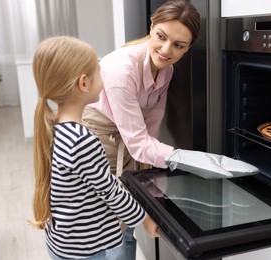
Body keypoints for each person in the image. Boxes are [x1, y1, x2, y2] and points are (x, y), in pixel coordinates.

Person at [30, 36, 158, 260]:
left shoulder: (53, 125)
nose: (103, 78)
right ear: (83, 83)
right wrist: (146, 220)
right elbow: (112, 192)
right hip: (85, 249)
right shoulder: (82, 140)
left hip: (62, 241)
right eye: (99, 72)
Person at [82, 0, 201, 177]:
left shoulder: (167, 70)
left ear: (188, 48)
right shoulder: (122, 71)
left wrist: (148, 169)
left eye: (178, 45)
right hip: (98, 144)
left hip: (132, 142)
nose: (166, 50)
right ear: (152, 27)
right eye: (161, 36)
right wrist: (189, 160)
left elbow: (153, 123)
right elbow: (138, 142)